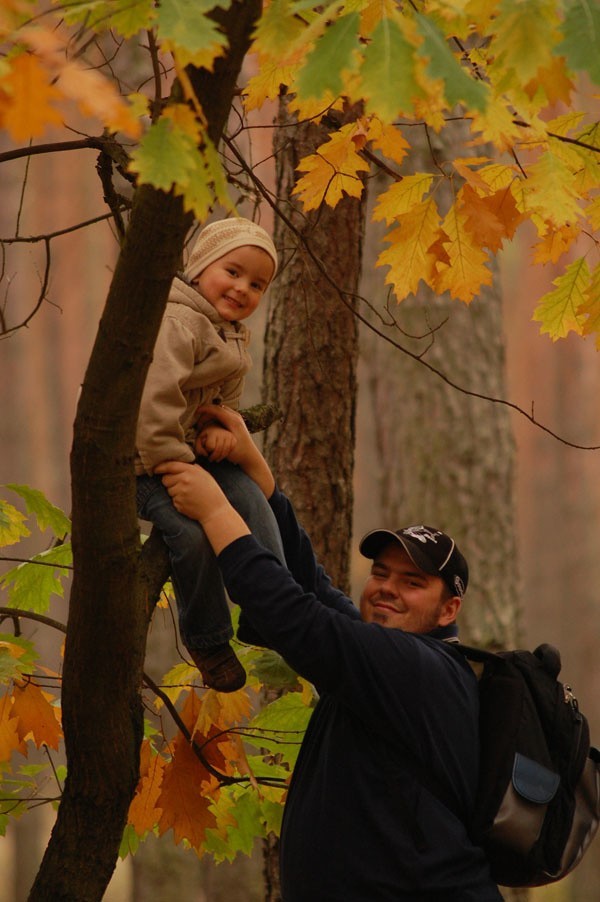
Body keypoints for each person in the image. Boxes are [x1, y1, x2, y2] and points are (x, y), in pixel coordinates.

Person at [156, 405, 503, 901]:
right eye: (381, 574)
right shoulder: (397, 658)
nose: (385, 589)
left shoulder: (416, 668)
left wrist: (215, 512)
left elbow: (299, 619)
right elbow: (314, 588)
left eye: (412, 583)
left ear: (449, 609)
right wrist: (262, 479)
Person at [135, 218, 285, 693]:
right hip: (142, 462)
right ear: (200, 268)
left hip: (187, 454)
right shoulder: (177, 321)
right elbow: (153, 402)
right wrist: (174, 462)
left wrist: (216, 434)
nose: (243, 289)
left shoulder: (233, 333)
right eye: (233, 272)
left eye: (257, 284)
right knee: (190, 535)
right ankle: (208, 638)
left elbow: (220, 407)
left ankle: (270, 606)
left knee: (249, 496)